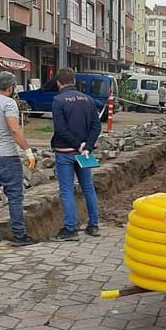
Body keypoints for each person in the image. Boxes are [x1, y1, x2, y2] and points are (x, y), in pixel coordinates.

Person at [0, 71, 38, 247]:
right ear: (11, 88)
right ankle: (19, 235)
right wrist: (28, 152)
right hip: (7, 158)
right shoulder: (9, 103)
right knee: (15, 197)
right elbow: (15, 129)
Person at [51, 68, 101, 241]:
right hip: (84, 154)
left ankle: (71, 229)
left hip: (65, 153)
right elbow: (96, 126)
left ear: (59, 83)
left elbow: (60, 129)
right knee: (88, 187)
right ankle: (93, 225)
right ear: (74, 81)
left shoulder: (58, 100)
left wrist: (77, 145)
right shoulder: (88, 100)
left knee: (67, 190)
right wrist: (87, 146)